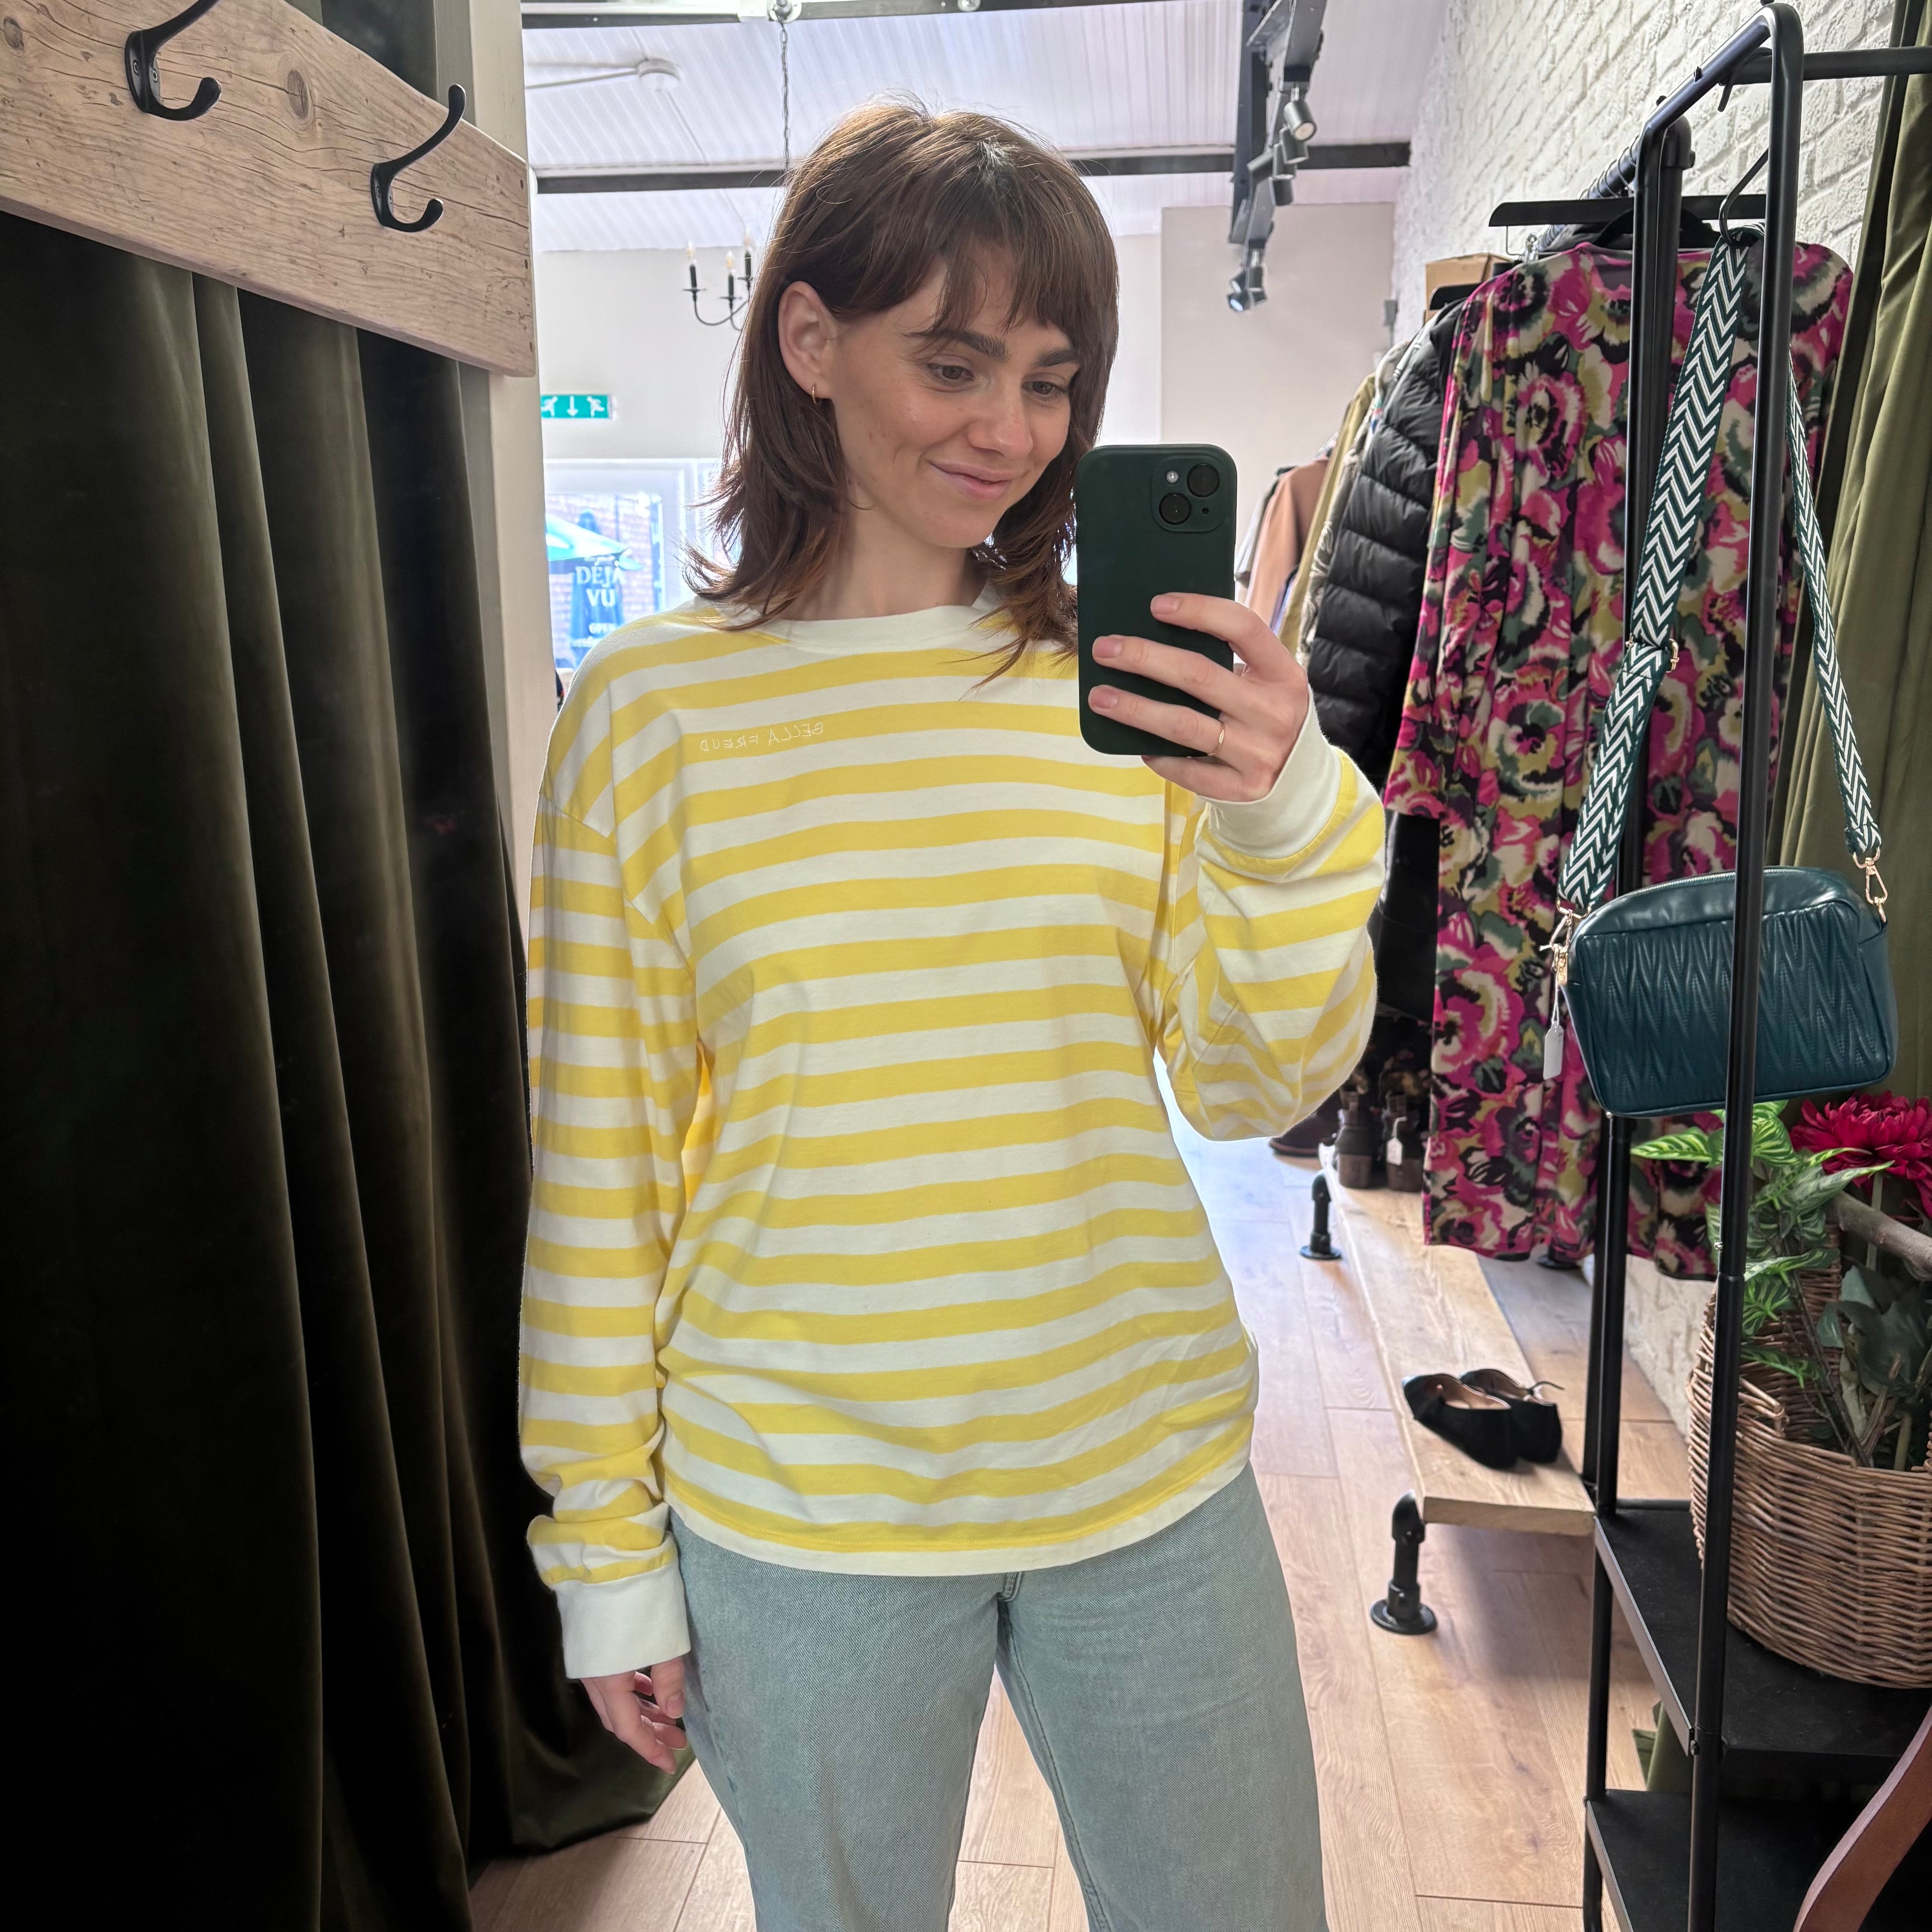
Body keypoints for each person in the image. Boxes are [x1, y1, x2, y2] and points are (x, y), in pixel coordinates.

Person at [518, 102, 1381, 1932]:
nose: (1012, 431)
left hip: (1138, 1467)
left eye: (1055, 379)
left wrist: (1292, 812)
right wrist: (604, 1551)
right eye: (954, 360)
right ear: (811, 346)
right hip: (797, 1510)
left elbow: (1245, 1084)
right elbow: (597, 1174)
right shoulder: (651, 719)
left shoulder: (1122, 691)